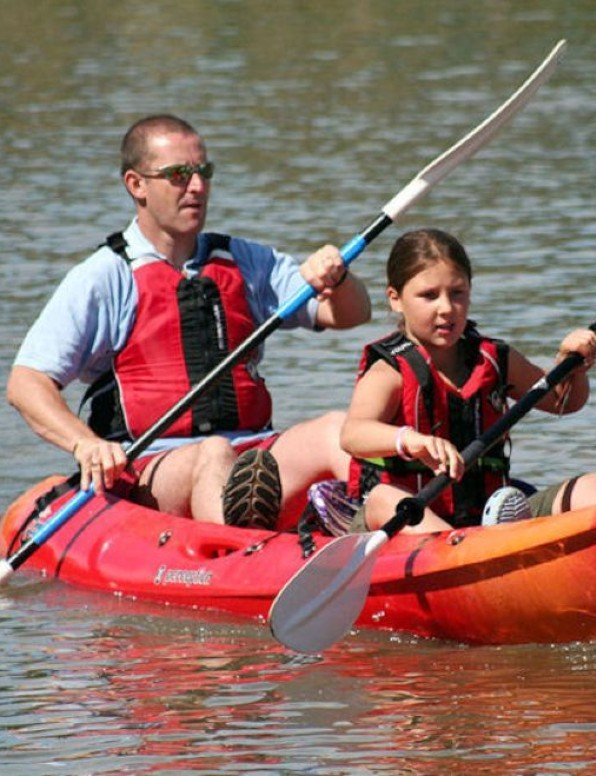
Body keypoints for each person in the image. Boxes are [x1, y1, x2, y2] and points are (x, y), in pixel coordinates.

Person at [7, 114, 371, 531]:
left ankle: (406, 529)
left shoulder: (244, 261)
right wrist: (85, 443)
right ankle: (248, 556)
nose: (197, 186)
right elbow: (26, 383)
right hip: (150, 467)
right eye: (179, 175)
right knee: (213, 453)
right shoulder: (104, 277)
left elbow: (350, 314)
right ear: (136, 185)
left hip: (252, 455)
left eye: (203, 172)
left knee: (335, 428)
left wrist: (339, 279)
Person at [340, 228, 596, 534]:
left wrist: (571, 365)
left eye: (457, 293)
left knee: (593, 485)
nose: (446, 308)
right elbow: (353, 435)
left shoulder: (496, 360)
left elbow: (564, 402)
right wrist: (412, 441)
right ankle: (460, 554)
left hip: (484, 515)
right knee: (383, 498)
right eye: (429, 295)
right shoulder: (389, 371)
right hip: (403, 523)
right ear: (395, 299)